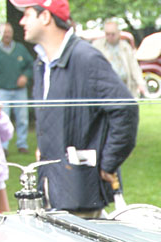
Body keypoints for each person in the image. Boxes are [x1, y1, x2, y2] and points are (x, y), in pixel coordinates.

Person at [13, 0, 139, 216]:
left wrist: (108, 163)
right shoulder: (42, 62)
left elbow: (125, 109)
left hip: (80, 195)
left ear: (45, 17)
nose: (22, 21)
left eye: (28, 14)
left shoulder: (86, 58)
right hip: (52, 190)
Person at [0, 22, 34, 153]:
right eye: (5, 32)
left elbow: (31, 65)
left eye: (9, 32)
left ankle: (22, 144)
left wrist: (26, 76)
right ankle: (3, 146)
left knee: (22, 118)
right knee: (2, 119)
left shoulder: (20, 48)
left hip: (19, 91)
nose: (7, 34)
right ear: (0, 34)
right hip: (2, 90)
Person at [92, 19, 146, 98]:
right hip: (105, 89)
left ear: (118, 33)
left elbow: (134, 66)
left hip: (125, 87)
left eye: (113, 34)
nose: (110, 37)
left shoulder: (125, 47)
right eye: (107, 34)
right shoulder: (97, 46)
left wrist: (140, 83)